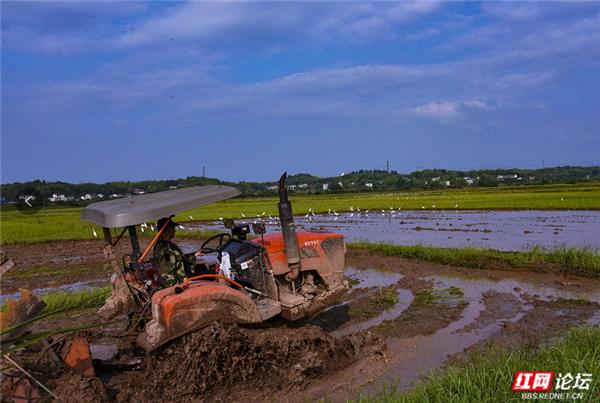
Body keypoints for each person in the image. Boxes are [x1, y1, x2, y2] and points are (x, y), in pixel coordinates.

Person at [153, 217, 205, 285]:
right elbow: (166, 274)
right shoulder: (164, 249)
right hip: (180, 283)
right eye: (173, 228)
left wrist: (194, 254)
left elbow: (178, 259)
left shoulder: (169, 244)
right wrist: (180, 285)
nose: (174, 231)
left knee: (205, 268)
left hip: (185, 277)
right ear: (168, 230)